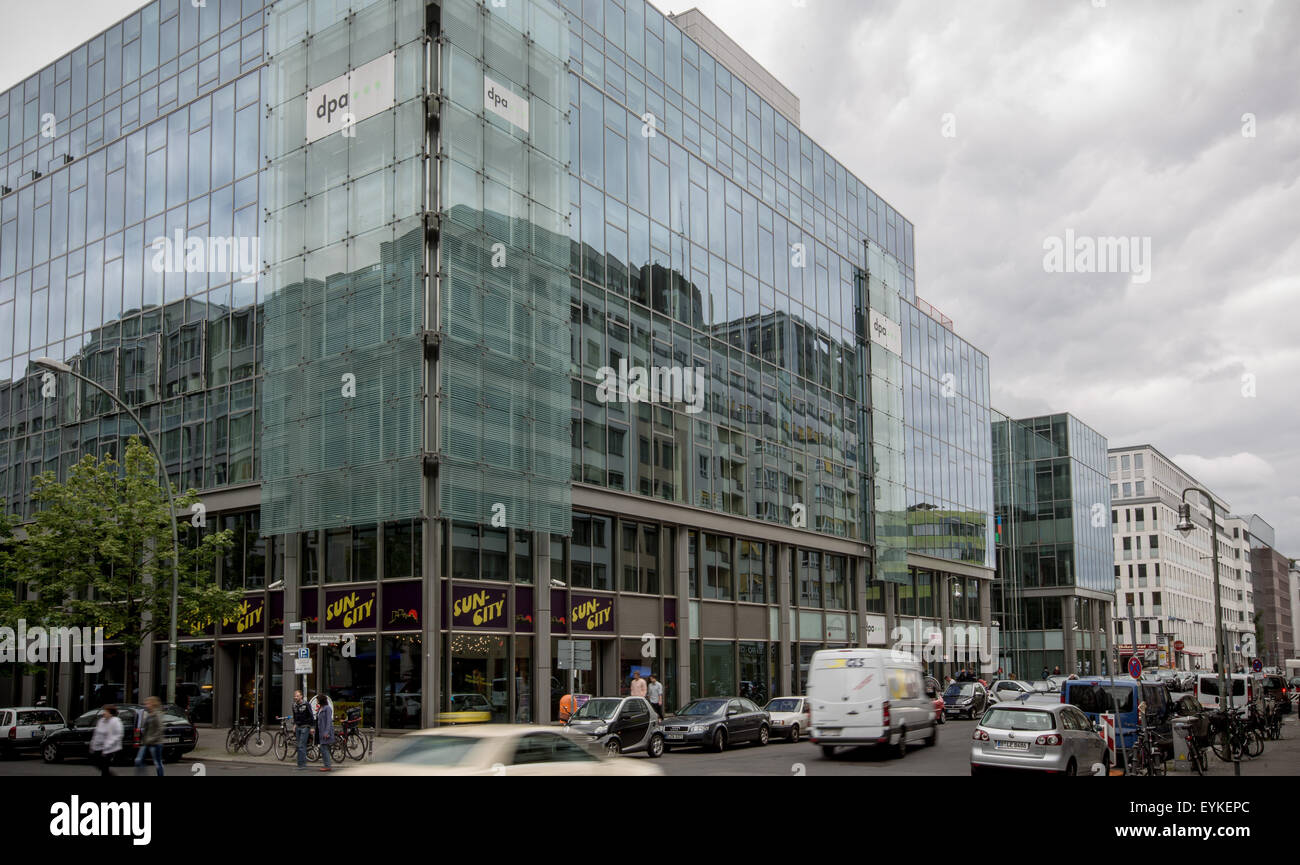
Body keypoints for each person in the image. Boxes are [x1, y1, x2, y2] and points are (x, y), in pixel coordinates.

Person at [133, 697, 165, 777]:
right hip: (146, 742)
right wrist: (143, 740)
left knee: (157, 763)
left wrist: (151, 739)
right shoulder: (148, 714)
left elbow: (160, 729)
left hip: (156, 743)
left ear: (153, 704)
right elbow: (146, 729)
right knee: (138, 760)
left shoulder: (157, 714)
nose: (146, 705)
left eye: (148, 703)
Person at [89, 704, 123, 776]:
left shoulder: (116, 721)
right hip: (98, 747)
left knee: (104, 767)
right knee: (97, 763)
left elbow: (117, 735)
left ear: (110, 713)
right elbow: (96, 733)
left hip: (110, 748)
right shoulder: (101, 721)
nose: (103, 713)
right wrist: (92, 744)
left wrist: (107, 746)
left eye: (106, 711)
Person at [292, 690, 314, 770]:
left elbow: (311, 716)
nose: (295, 697)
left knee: (301, 745)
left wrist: (312, 727)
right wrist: (294, 724)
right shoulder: (294, 705)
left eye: (297, 696)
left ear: (301, 696)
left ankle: (302, 765)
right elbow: (295, 716)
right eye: (295, 696)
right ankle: (300, 764)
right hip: (298, 727)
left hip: (305, 726)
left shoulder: (306, 704)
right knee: (299, 745)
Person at [316, 693, 334, 772]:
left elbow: (329, 721)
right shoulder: (321, 708)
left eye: (317, 699)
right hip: (321, 732)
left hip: (325, 732)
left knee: (324, 749)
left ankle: (327, 766)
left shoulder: (327, 708)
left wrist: (326, 732)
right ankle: (326, 765)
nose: (316, 701)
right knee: (323, 749)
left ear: (321, 700)